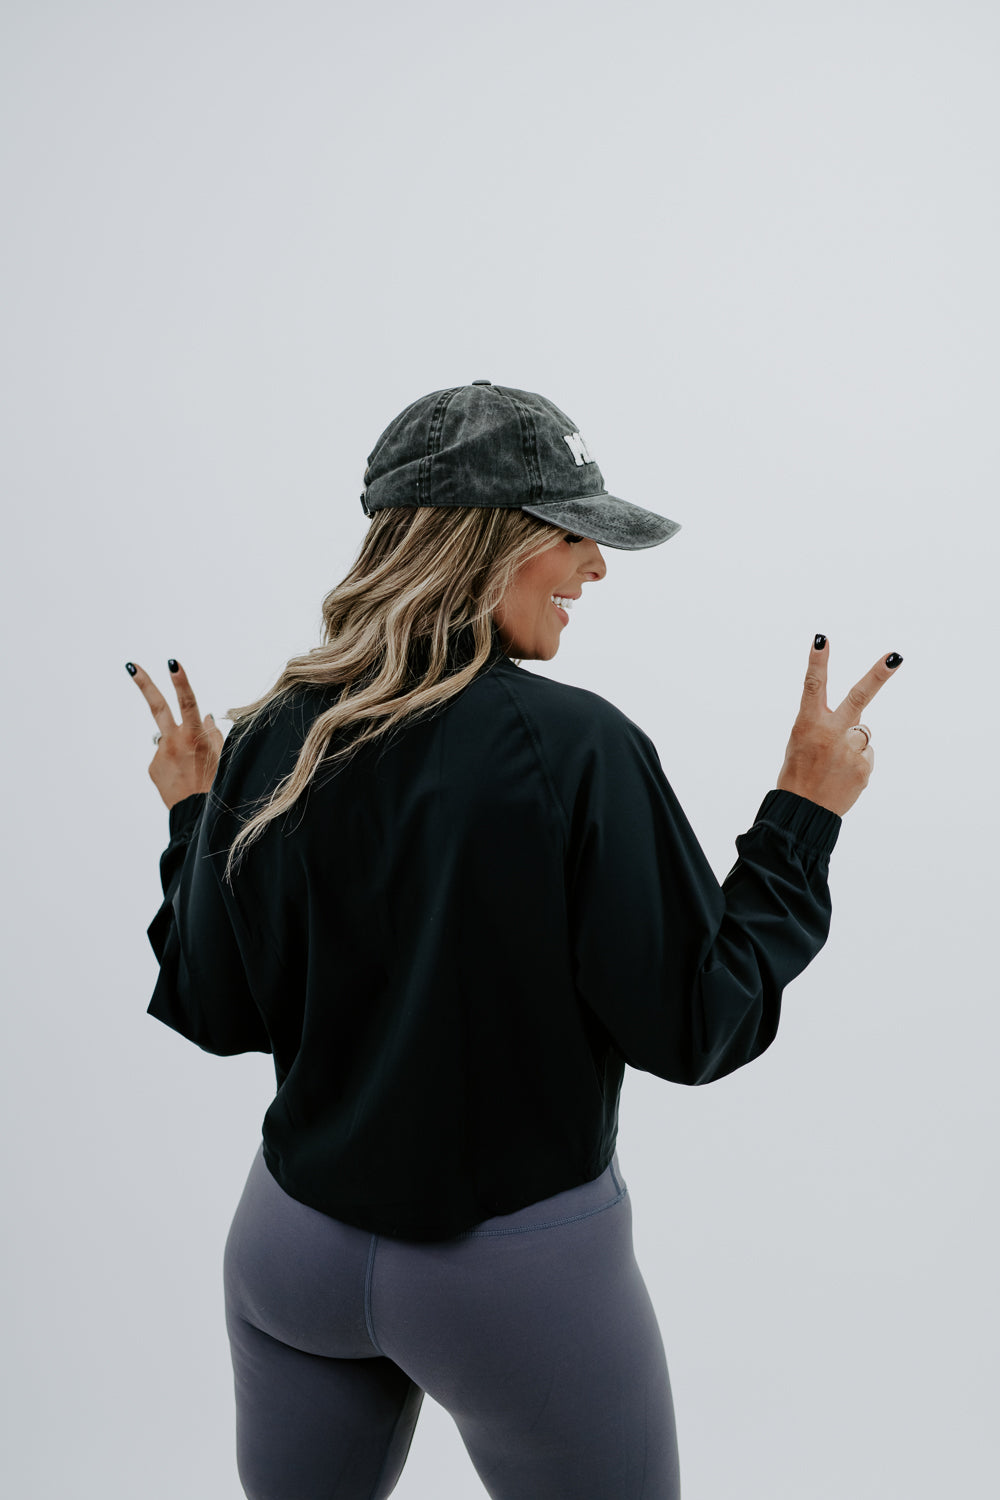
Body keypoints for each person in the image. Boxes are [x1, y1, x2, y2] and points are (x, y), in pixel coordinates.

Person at [127, 381, 902, 1500]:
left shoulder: (279, 732)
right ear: (491, 541)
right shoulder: (576, 748)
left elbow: (214, 1006)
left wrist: (194, 818)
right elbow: (699, 1025)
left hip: (290, 1255)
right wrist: (802, 816)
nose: (596, 568)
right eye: (572, 534)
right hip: (512, 1283)